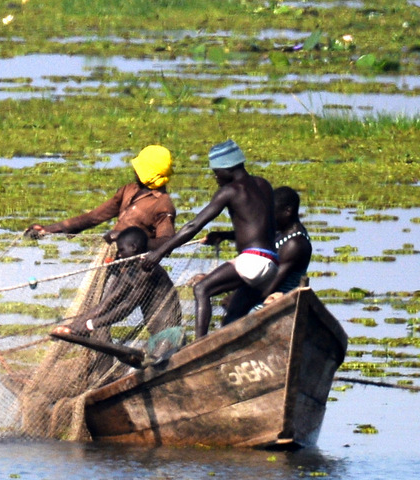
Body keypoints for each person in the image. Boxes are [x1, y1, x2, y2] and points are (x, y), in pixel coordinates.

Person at [141, 140, 275, 339]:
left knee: (202, 288)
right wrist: (224, 235)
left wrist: (160, 252)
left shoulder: (230, 191)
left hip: (252, 262)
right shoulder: (263, 184)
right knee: (233, 315)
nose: (215, 177)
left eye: (216, 172)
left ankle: (199, 346)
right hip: (272, 262)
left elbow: (194, 225)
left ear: (227, 168)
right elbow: (259, 226)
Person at [25, 145, 176, 247]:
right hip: (113, 261)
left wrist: (126, 239)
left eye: (139, 167)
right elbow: (93, 217)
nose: (134, 170)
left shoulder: (162, 204)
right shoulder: (129, 190)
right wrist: (47, 230)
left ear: (147, 172)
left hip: (138, 269)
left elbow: (166, 242)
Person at [202, 186, 311, 325]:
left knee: (232, 314)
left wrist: (235, 297)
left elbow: (269, 286)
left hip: (274, 305)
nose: (268, 218)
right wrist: (222, 235)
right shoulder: (279, 233)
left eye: (272, 213)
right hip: (256, 296)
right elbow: (256, 237)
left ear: (287, 211)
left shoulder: (295, 244)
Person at [53, 226, 181, 340]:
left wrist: (89, 325)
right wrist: (73, 326)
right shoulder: (131, 271)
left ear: (133, 248)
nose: (119, 255)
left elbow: (127, 307)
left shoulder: (147, 270)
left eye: (121, 250)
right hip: (156, 335)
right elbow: (108, 302)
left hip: (169, 334)